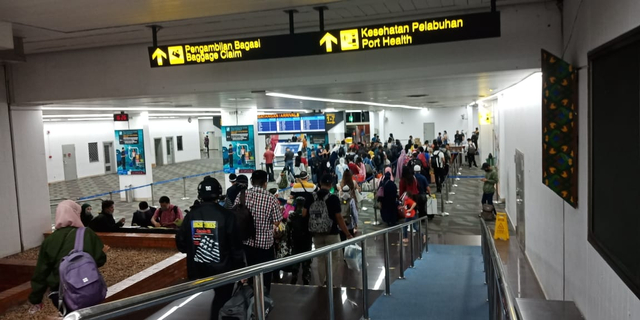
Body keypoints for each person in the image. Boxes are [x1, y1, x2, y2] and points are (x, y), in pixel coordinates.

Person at [175, 176, 245, 318]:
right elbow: (235, 247)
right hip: (224, 271)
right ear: (218, 194)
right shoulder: (227, 216)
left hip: (198, 269)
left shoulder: (191, 215)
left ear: (200, 194)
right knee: (221, 300)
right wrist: (241, 270)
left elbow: (181, 243)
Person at [29, 200, 107, 315]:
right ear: (76, 214)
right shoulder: (87, 233)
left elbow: (41, 273)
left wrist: (36, 299)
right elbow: (101, 260)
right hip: (89, 288)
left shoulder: (49, 241)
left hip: (61, 294)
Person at [236, 170, 282, 295]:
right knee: (265, 277)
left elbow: (235, 215)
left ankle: (250, 301)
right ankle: (263, 303)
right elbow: (277, 222)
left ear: (251, 181)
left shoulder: (241, 195)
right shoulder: (271, 199)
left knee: (250, 274)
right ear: (265, 183)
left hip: (246, 242)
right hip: (265, 245)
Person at [313, 174, 352, 286]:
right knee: (334, 258)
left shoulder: (312, 197)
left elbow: (305, 214)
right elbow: (339, 218)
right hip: (332, 233)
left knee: (320, 259)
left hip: (316, 233)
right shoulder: (334, 198)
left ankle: (322, 283)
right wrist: (347, 233)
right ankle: (328, 279)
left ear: (320, 184)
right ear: (330, 185)